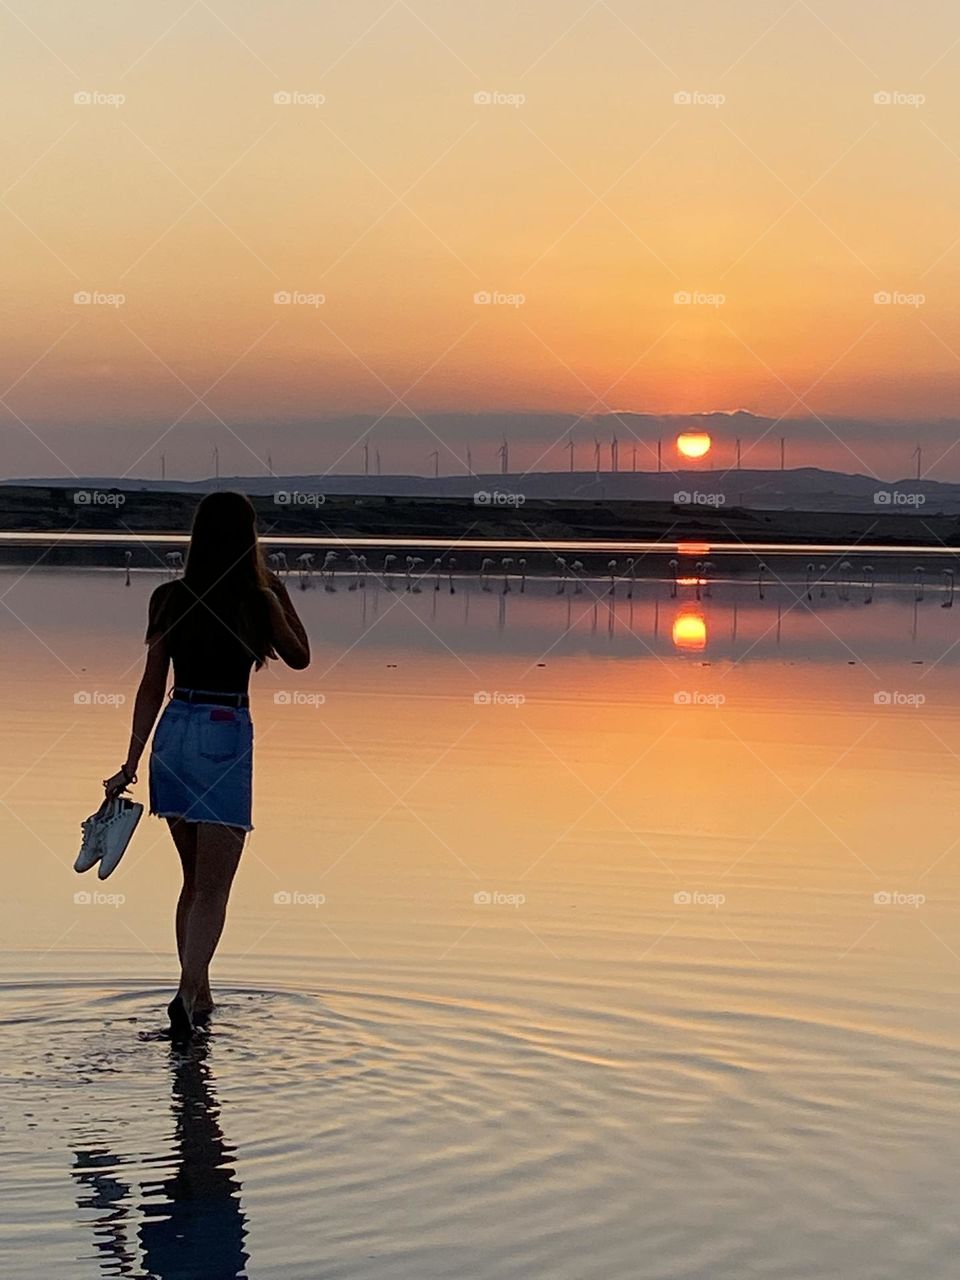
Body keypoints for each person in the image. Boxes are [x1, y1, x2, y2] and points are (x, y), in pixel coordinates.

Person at [103, 491, 310, 1040]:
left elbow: (151, 684)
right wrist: (278, 594)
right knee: (215, 888)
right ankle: (188, 993)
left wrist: (130, 762)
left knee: (193, 881)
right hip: (224, 729)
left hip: (173, 732)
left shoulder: (168, 597)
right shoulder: (258, 598)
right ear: (248, 538)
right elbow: (300, 656)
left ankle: (200, 991)